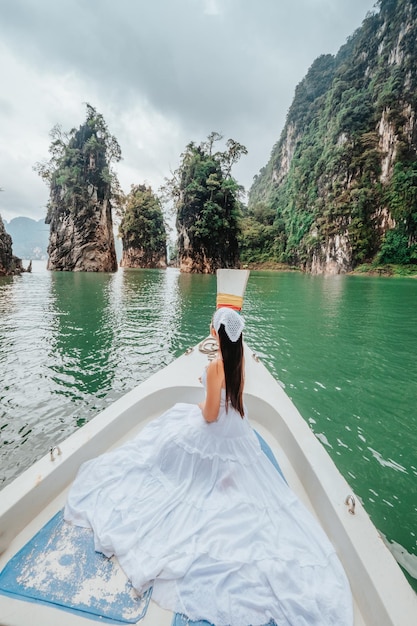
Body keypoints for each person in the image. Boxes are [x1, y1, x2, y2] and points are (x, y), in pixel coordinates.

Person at [65, 307, 353, 626]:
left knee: (167, 435)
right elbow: (233, 402)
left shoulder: (217, 366)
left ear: (217, 334)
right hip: (238, 429)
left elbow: (210, 415)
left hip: (217, 427)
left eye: (212, 327)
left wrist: (201, 400)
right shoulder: (239, 360)